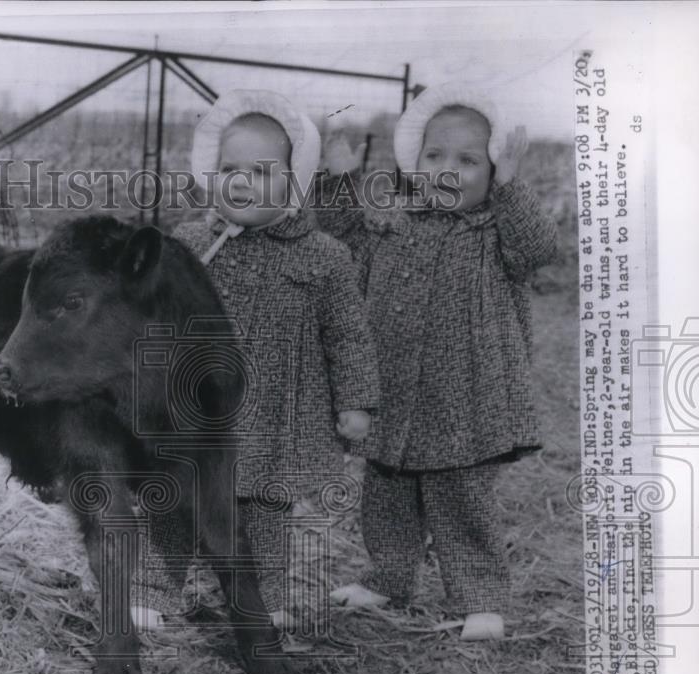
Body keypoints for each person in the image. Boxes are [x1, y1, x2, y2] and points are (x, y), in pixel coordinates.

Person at [319, 82, 558, 640]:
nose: (448, 170)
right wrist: (338, 180)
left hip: (467, 399)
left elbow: (540, 248)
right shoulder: (393, 222)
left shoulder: (496, 232)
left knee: (461, 500)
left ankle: (480, 601)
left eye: (469, 160)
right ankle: (388, 580)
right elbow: (341, 233)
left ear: (493, 170)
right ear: (413, 161)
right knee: (386, 493)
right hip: (395, 394)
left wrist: (513, 186)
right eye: (435, 155)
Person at [133, 89, 379, 632]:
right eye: (229, 169)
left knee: (262, 515)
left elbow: (348, 335)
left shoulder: (323, 257)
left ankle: (257, 599)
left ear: (295, 182)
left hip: (274, 420)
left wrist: (356, 402)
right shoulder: (193, 242)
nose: (241, 182)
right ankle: (150, 590)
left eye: (263, 171)